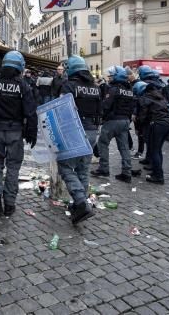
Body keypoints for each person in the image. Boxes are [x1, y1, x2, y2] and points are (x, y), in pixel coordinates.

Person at [0, 51, 37, 216]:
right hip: (15, 131)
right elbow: (30, 112)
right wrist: (32, 133)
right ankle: (9, 203)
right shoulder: (23, 85)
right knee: (13, 167)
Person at [58, 55, 99, 225]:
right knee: (83, 168)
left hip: (75, 130)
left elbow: (62, 109)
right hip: (92, 131)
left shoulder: (69, 85)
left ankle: (81, 201)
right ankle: (78, 205)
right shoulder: (96, 87)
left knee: (65, 166)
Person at [94, 66, 140, 182]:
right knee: (124, 147)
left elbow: (106, 105)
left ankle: (103, 169)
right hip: (125, 121)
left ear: (117, 76)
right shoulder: (129, 90)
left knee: (102, 144)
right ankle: (126, 172)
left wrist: (101, 116)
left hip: (113, 121)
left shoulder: (113, 89)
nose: (110, 78)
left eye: (112, 76)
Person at [133, 80, 169, 184]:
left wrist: (140, 126)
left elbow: (143, 116)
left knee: (154, 150)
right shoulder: (159, 96)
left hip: (157, 124)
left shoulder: (144, 98)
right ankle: (156, 172)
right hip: (167, 123)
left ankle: (159, 176)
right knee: (158, 150)